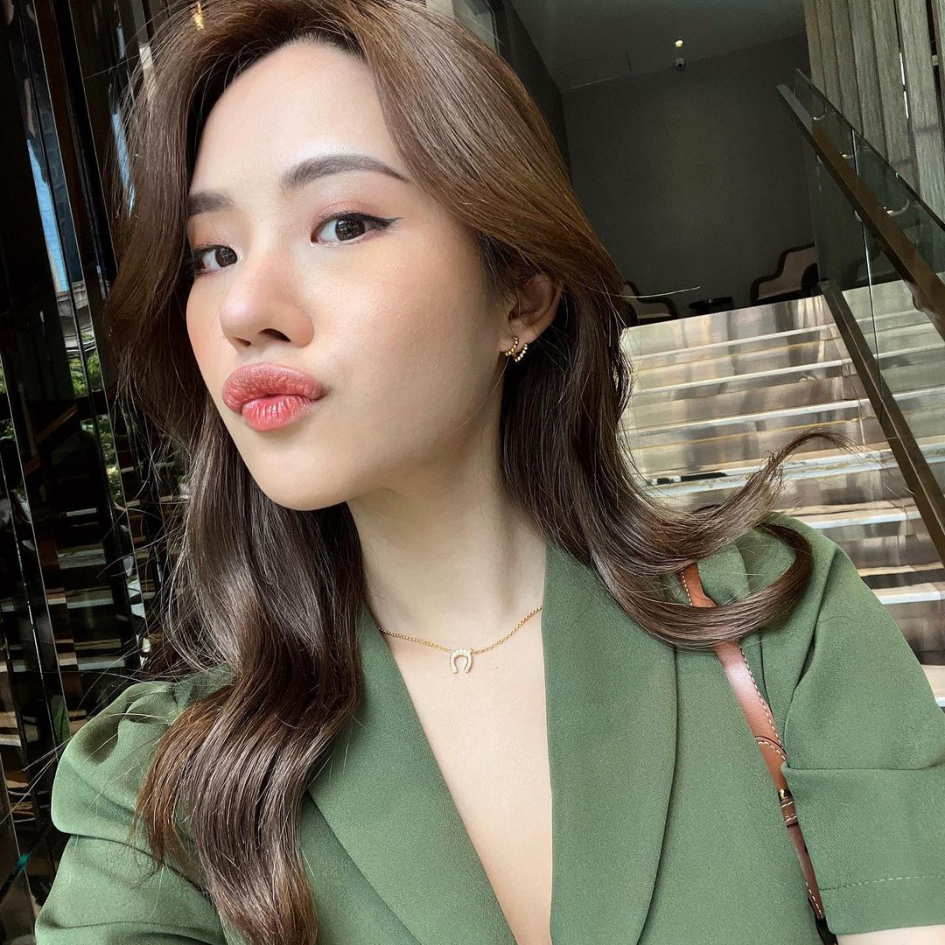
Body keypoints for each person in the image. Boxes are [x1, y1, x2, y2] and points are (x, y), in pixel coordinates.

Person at [32, 1, 945, 943]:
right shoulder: (158, 782)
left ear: (520, 294)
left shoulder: (777, 624)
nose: (242, 309)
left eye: (342, 223)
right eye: (213, 254)